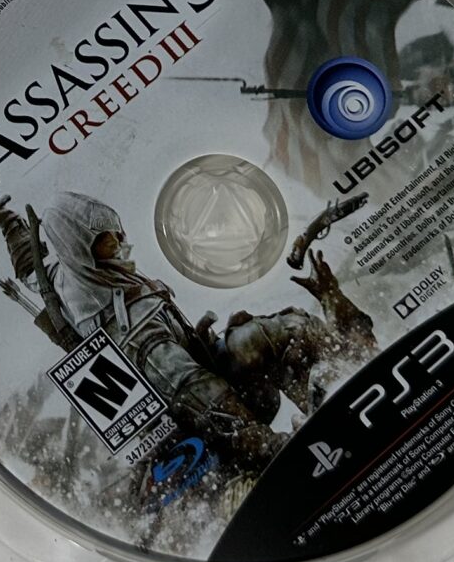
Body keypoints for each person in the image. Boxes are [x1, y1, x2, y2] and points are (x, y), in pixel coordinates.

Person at [35, 193, 279, 480]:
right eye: (101, 237)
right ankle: (266, 446)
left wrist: (9, 223)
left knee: (263, 338)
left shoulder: (115, 270)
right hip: (149, 353)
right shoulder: (77, 287)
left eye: (114, 231)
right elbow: (188, 384)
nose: (114, 240)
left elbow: (30, 265)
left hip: (184, 344)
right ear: (77, 246)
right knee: (201, 392)